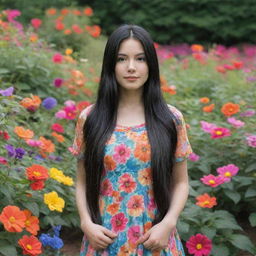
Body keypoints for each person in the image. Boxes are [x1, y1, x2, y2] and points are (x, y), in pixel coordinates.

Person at [72, 24, 193, 256]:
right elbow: (82, 181)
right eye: (121, 59)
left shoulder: (170, 119)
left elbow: (180, 182)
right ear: (110, 65)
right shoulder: (91, 118)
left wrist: (168, 224)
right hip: (104, 241)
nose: (131, 68)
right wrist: (86, 223)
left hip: (156, 240)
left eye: (140, 59)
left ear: (151, 65)